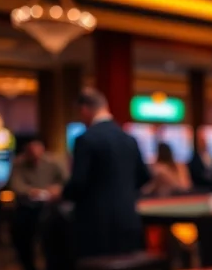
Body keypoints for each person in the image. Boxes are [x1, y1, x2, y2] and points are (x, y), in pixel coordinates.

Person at [62, 89, 150, 258]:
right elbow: (144, 176)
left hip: (95, 227)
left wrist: (61, 193)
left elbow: (78, 183)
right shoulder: (129, 139)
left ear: (84, 110)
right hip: (129, 220)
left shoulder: (85, 139)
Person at [8, 137, 66, 270]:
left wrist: (56, 190)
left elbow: (66, 181)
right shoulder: (18, 163)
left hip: (49, 208)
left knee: (54, 237)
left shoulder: (53, 162)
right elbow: (16, 186)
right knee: (20, 234)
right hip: (27, 208)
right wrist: (31, 192)